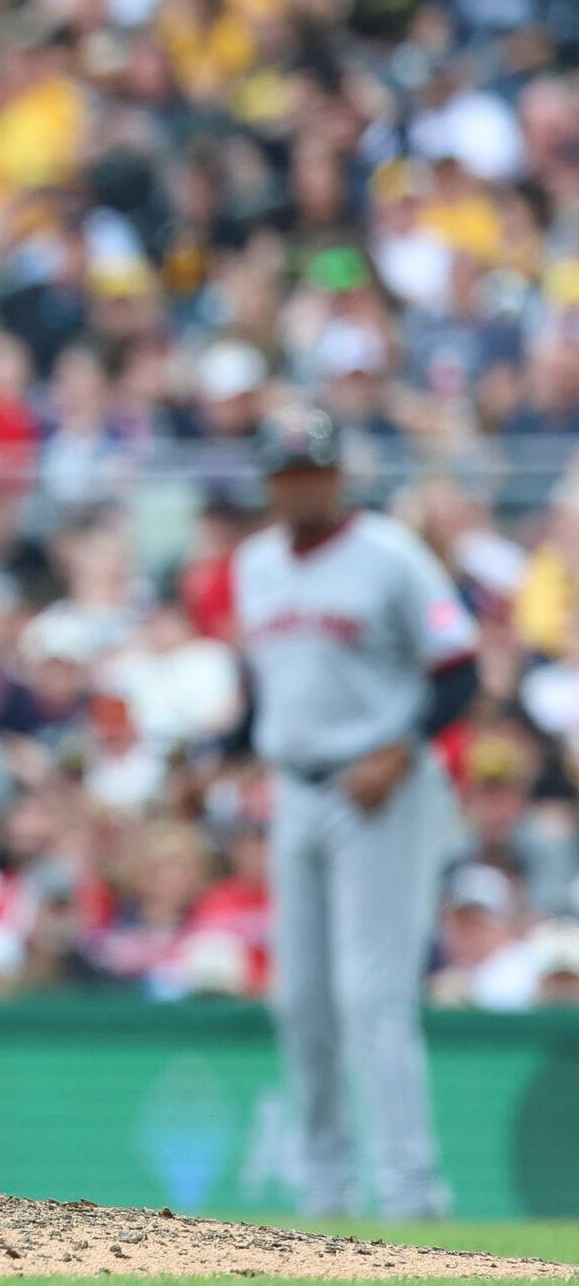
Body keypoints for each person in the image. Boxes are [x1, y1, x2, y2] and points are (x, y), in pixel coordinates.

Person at [232, 408, 477, 1217]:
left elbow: (459, 667)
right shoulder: (254, 564)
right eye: (287, 472)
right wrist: (222, 754)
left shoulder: (389, 554)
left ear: (337, 475)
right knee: (300, 1002)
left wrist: (401, 749)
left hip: (381, 788)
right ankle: (325, 1192)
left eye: (313, 470)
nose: (300, 484)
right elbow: (276, 687)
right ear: (271, 482)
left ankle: (413, 1194)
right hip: (295, 789)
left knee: (372, 996)